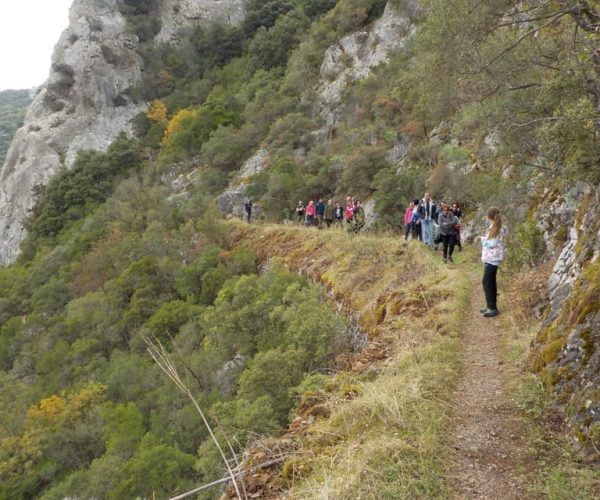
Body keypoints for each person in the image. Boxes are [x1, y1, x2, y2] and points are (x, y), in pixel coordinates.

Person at [480, 206, 505, 317]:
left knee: (487, 282)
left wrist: (482, 240)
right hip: (493, 259)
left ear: (489, 216)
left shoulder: (495, 228)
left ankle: (492, 308)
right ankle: (491, 306)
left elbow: (492, 244)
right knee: (490, 282)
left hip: (492, 259)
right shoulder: (497, 227)